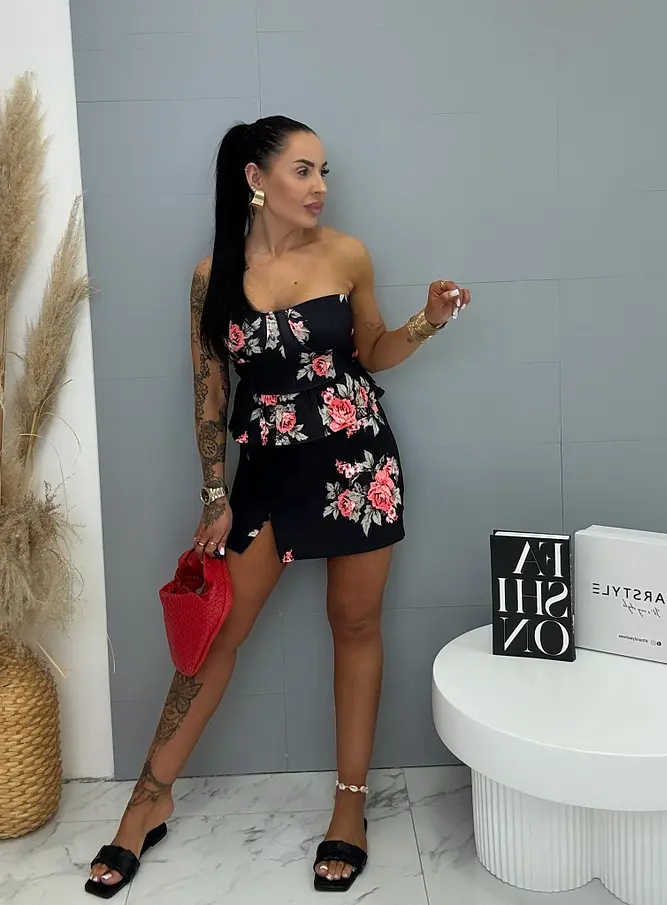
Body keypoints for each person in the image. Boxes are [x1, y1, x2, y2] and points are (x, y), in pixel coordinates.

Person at [85, 115, 470, 898]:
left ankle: (350, 808)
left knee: (355, 625)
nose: (320, 185)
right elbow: (209, 392)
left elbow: (372, 351)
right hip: (265, 473)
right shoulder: (212, 275)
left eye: (324, 171)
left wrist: (427, 321)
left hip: (357, 465)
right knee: (217, 634)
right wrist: (213, 492)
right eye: (304, 169)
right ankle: (147, 802)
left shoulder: (348, 254)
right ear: (256, 180)